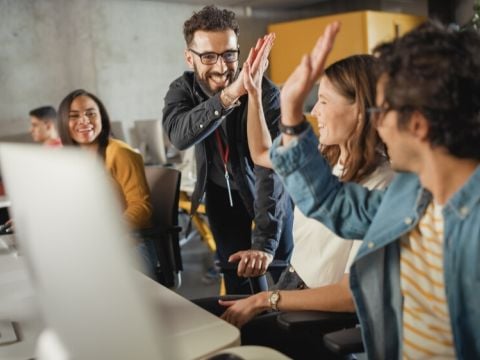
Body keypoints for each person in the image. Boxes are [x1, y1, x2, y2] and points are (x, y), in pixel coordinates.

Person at [269, 21, 480, 359]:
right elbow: (333, 203)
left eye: (382, 111)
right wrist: (291, 117)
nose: (376, 123)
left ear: (417, 126)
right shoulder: (414, 194)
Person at [200, 51, 393, 358]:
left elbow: (351, 296)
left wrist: (265, 299)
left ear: (359, 110)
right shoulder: (325, 157)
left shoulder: (383, 185)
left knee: (210, 341)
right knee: (190, 315)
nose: (314, 110)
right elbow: (262, 152)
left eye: (324, 101)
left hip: (317, 318)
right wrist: (254, 92)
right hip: (289, 289)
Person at [162, 5, 293, 294]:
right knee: (235, 281)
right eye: (208, 56)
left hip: (267, 193)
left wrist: (265, 243)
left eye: (229, 55)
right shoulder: (182, 90)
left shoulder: (267, 94)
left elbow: (270, 171)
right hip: (221, 193)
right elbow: (180, 135)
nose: (222, 67)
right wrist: (229, 96)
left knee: (283, 275)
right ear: (189, 57)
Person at [57, 89, 157, 276]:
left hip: (130, 245)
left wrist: (106, 233)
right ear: (64, 122)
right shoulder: (70, 158)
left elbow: (142, 207)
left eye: (90, 113)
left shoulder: (119, 152)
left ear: (101, 117)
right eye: (74, 116)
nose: (84, 120)